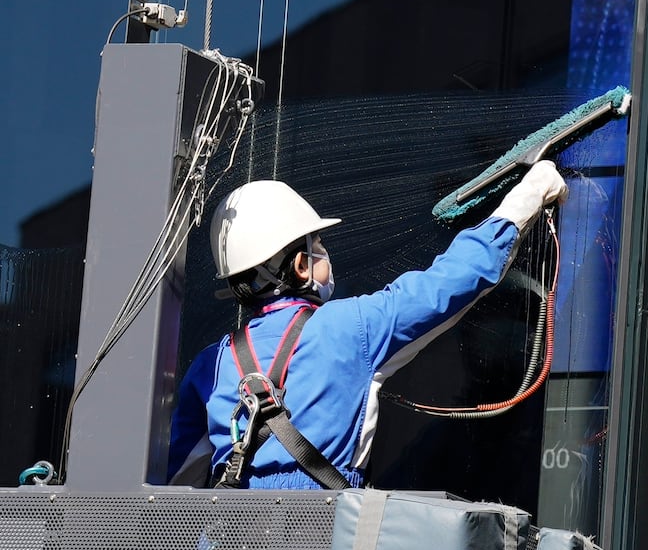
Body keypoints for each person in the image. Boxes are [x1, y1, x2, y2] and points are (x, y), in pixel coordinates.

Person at [167, 162, 566, 489]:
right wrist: (526, 198)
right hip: (317, 542)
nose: (327, 257)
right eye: (319, 248)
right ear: (301, 266)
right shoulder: (350, 327)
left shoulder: (211, 365)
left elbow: (178, 487)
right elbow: (449, 284)